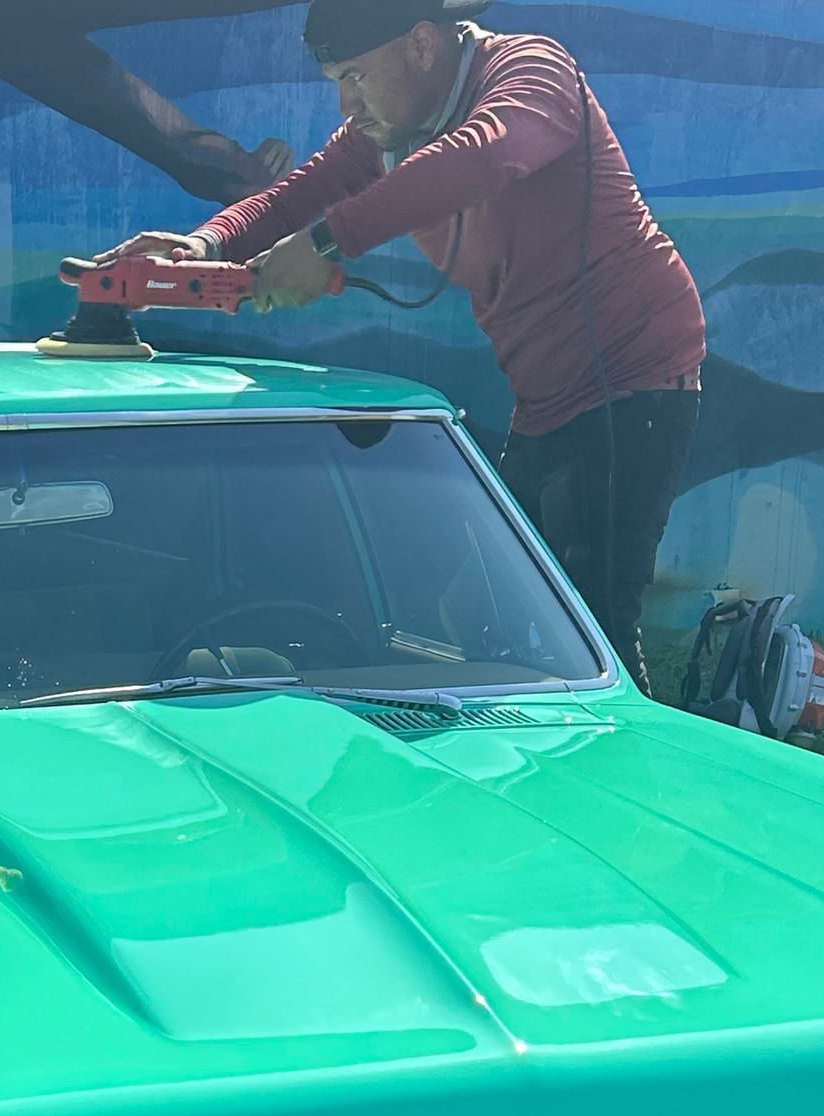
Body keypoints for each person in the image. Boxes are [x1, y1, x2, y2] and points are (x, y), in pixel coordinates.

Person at [101, 0, 705, 686]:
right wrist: (201, 245)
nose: (345, 100)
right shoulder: (392, 125)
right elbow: (296, 196)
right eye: (336, 78)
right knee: (496, 623)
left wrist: (327, 241)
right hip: (545, 398)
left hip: (633, 380)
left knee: (591, 631)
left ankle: (628, 779)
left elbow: (488, 152)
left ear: (421, 44)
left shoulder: (532, 71)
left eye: (355, 75)